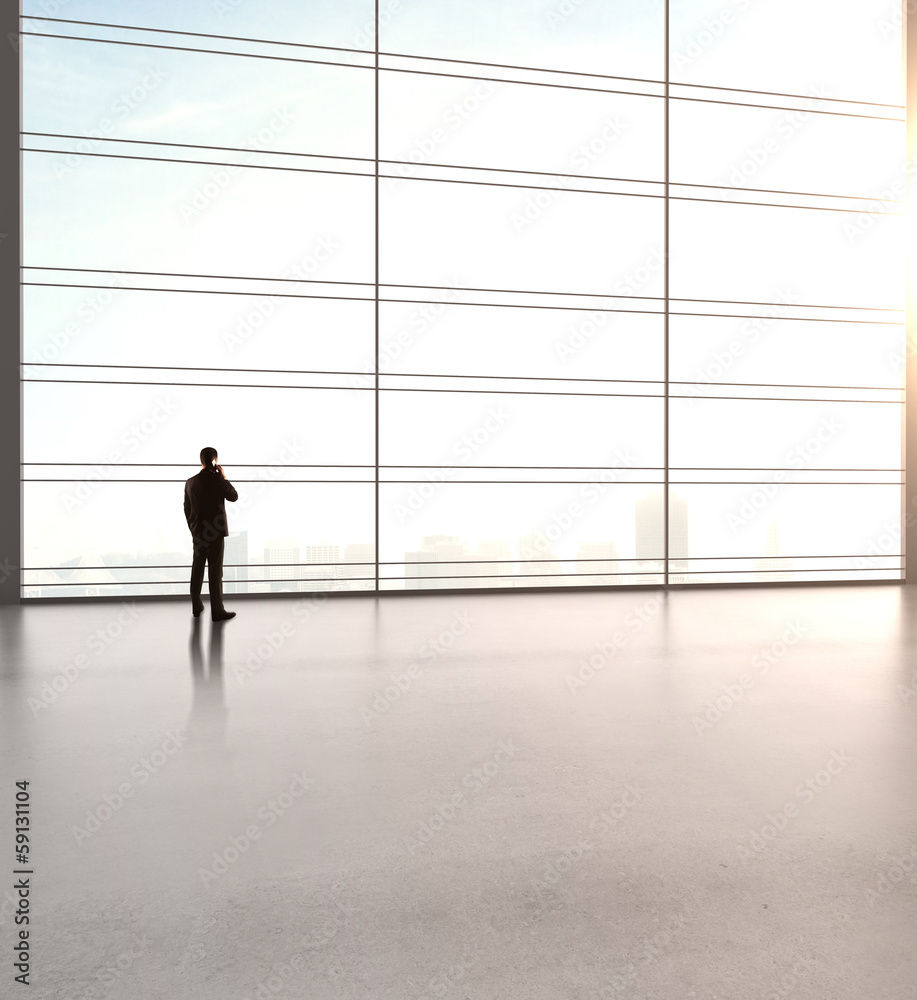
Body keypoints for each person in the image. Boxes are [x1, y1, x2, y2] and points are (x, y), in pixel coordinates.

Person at [184, 446, 239, 622]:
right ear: (214, 460)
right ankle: (217, 611)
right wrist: (223, 476)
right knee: (215, 572)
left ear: (201, 460)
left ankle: (196, 606)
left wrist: (193, 528)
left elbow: (186, 508)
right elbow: (233, 496)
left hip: (198, 533)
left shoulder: (190, 482)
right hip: (215, 533)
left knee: (197, 569)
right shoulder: (217, 479)